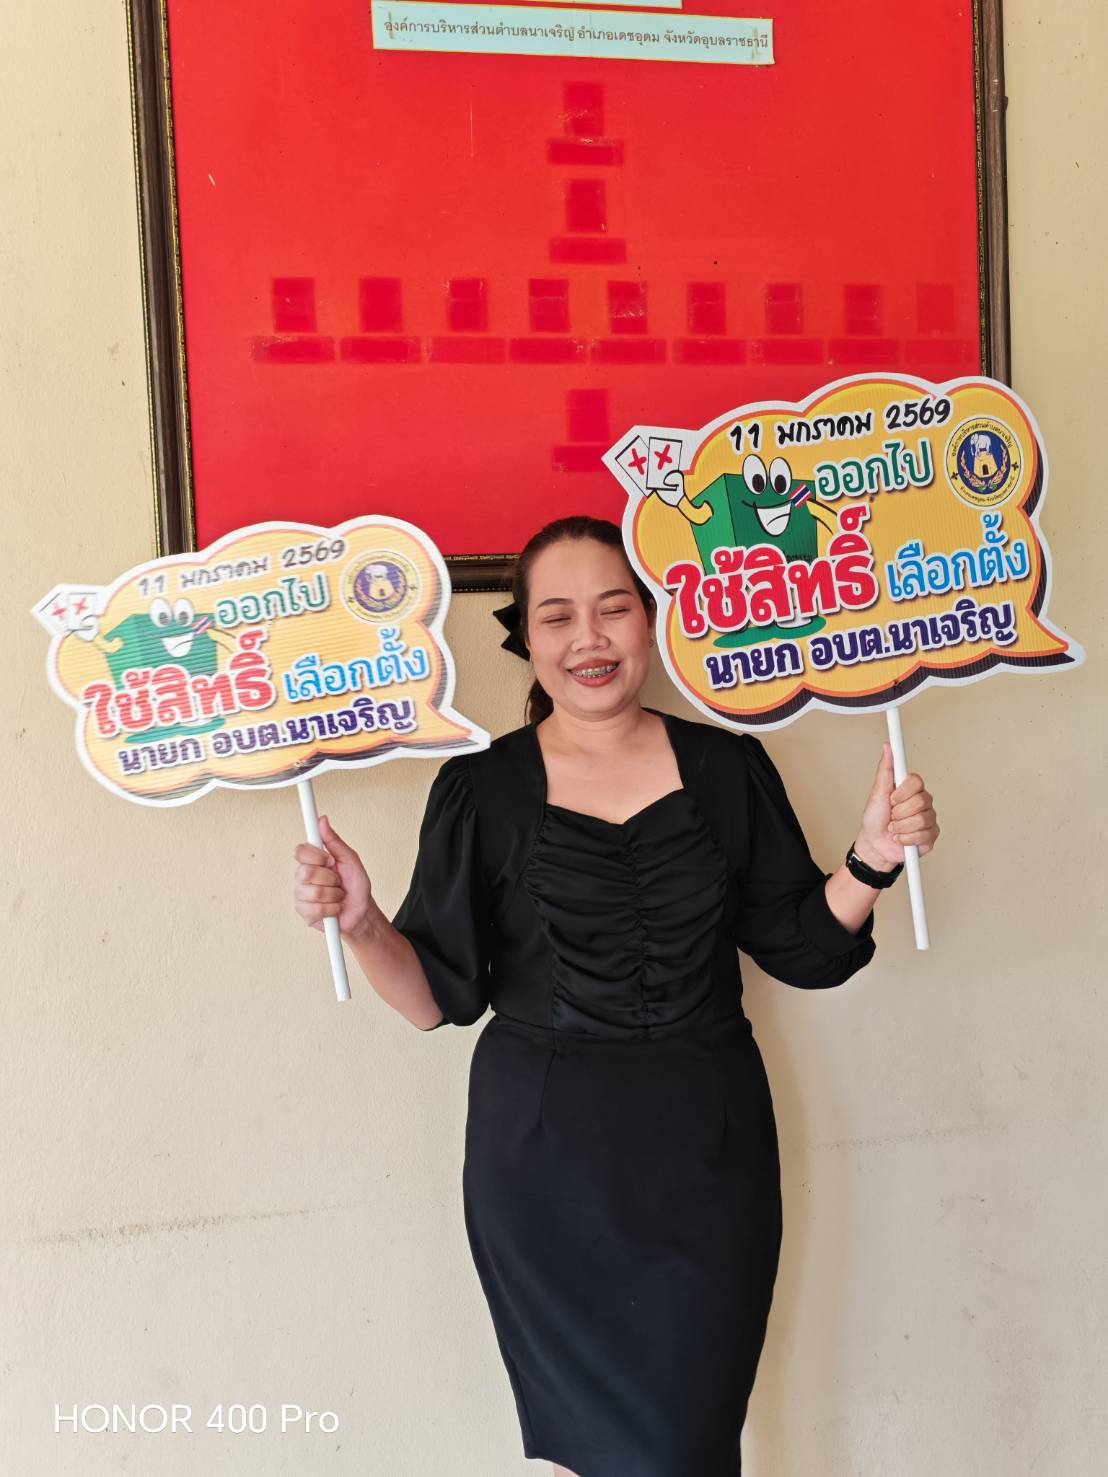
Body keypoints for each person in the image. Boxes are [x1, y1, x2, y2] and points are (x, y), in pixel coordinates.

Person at [292, 515, 940, 1477]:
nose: (588, 638)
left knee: (689, 1440)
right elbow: (436, 999)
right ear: (526, 636)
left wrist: (874, 858)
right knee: (599, 1453)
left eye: (613, 609)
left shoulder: (727, 766)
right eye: (558, 616)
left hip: (708, 1149)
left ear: (650, 619)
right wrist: (360, 921)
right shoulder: (479, 790)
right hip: (544, 1163)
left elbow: (803, 947)